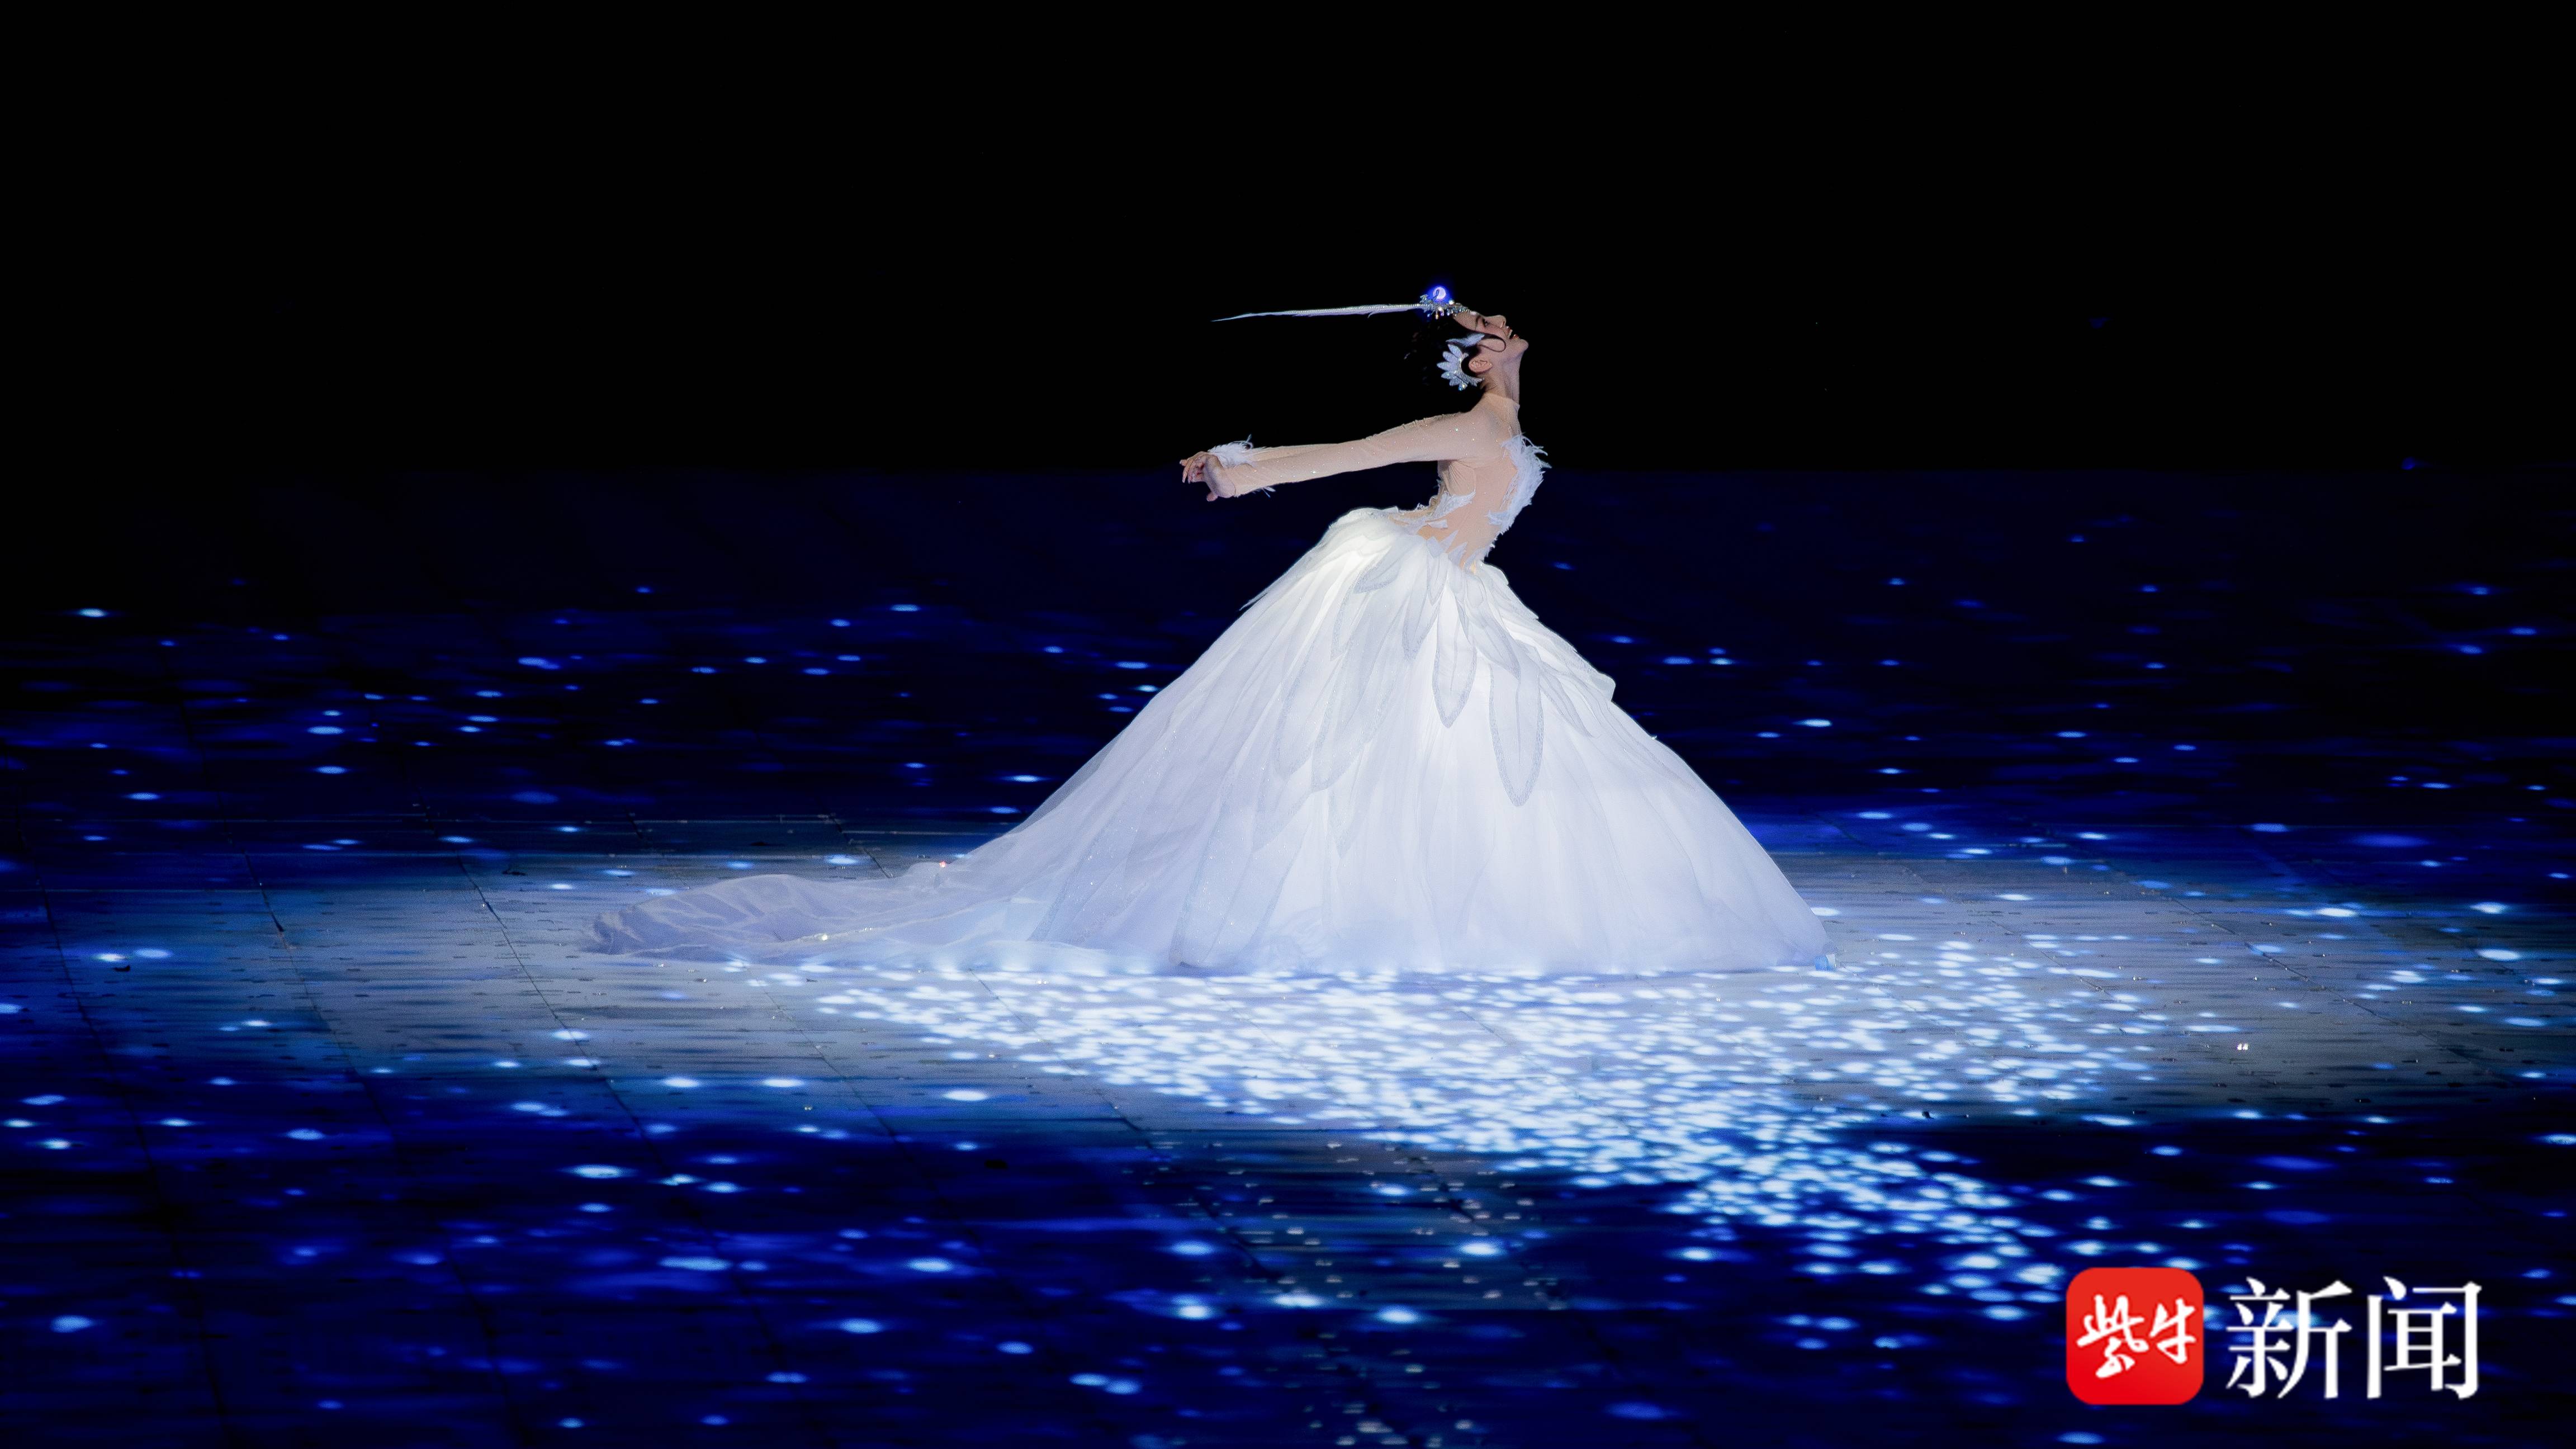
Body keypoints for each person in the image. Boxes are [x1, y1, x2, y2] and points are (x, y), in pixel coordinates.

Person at [591, 290, 1833, 974]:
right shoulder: (1482, 425)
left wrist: (1471, 345)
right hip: (1423, 581)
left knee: (1414, 749)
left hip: (1434, 586)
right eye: (1485, 348)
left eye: (1497, 347)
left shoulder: (1487, 417)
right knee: (1367, 750)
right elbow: (1372, 444)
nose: (1497, 352)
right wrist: (1248, 464)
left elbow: (1433, 412)